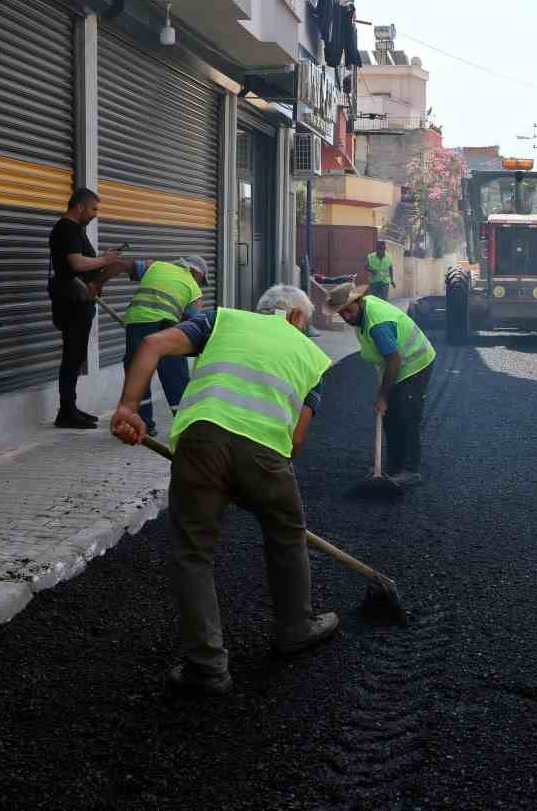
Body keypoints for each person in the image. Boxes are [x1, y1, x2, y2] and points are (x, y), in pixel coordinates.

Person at [110, 284, 338, 694]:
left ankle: (206, 667)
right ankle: (295, 628)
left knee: (192, 553)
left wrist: (128, 408)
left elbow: (152, 343)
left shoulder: (222, 320)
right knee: (287, 535)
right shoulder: (311, 356)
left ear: (262, 310)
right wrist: (251, 482)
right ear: (297, 318)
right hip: (266, 453)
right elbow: (296, 440)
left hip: (199, 441)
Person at [332, 281, 438, 485]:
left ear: (359, 301)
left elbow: (394, 359)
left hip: (416, 362)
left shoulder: (377, 325)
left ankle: (411, 469)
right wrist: (385, 395)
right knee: (390, 414)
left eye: (348, 311)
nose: (346, 316)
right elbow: (386, 359)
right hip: (396, 363)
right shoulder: (363, 313)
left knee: (407, 414)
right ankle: (393, 465)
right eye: (341, 313)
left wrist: (382, 395)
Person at [47, 188, 127, 429]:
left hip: (79, 301)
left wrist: (104, 259)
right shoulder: (67, 229)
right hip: (72, 303)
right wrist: (105, 261)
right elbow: (76, 262)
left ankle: (70, 408)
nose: (95, 214)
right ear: (79, 206)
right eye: (93, 209)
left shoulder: (73, 230)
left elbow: (81, 262)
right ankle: (66, 413)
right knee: (72, 356)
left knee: (76, 355)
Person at [122, 255, 209, 436]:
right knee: (175, 377)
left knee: (139, 373)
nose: (201, 284)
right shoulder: (193, 289)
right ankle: (186, 426)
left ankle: (144, 425)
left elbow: (124, 265)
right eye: (202, 279)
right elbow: (192, 325)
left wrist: (95, 284)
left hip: (136, 321)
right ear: (195, 271)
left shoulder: (155, 266)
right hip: (167, 327)